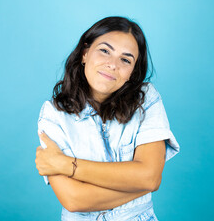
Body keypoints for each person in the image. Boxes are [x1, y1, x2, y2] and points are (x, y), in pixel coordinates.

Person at [35, 16, 180, 221]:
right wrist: (138, 182)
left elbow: (149, 177)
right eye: (105, 51)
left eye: (125, 59)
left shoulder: (146, 99)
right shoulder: (53, 113)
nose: (112, 64)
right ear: (85, 53)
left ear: (132, 72)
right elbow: (74, 200)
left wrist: (68, 165)